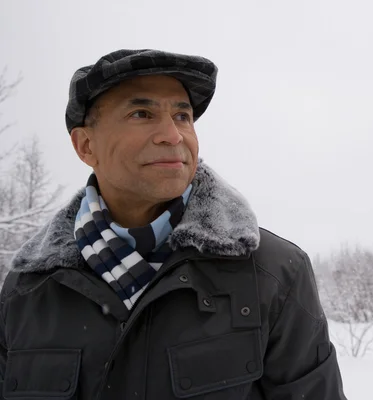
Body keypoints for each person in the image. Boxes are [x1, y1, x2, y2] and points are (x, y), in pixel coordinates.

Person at [0, 49, 347, 400]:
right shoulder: (25, 292)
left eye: (183, 116)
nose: (173, 135)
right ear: (86, 145)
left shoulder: (274, 275)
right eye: (142, 113)